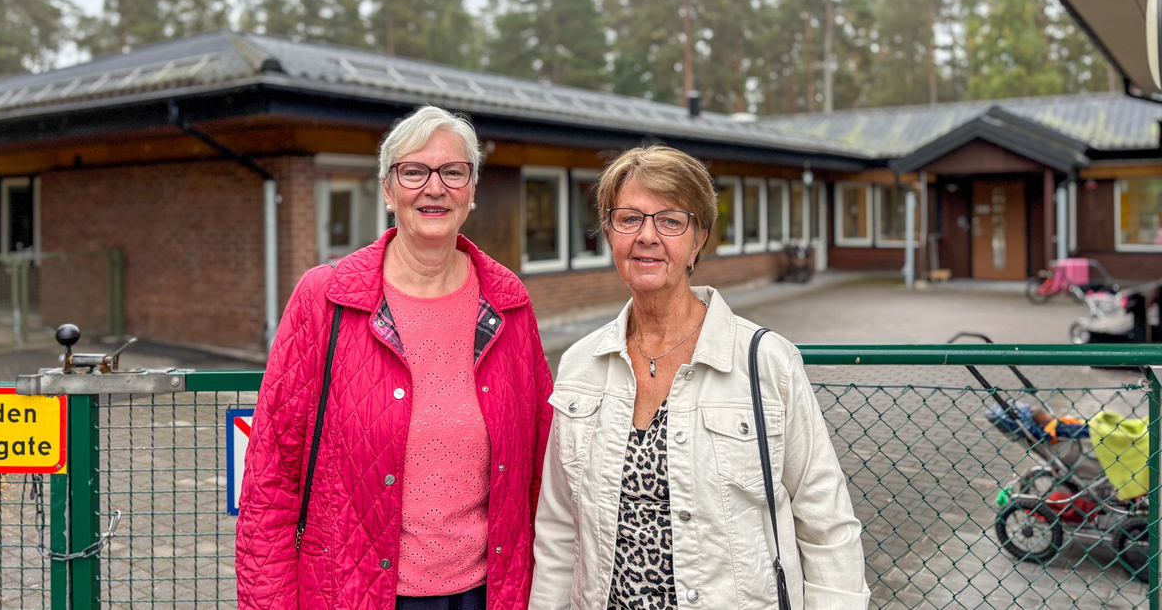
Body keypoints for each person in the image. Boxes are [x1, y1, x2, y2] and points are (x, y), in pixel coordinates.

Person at [237, 105, 554, 610]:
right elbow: (270, 478)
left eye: (454, 172)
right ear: (388, 190)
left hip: (488, 594)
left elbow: (541, 468)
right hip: (352, 592)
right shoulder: (326, 299)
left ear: (471, 191)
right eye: (414, 172)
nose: (435, 187)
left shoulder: (508, 302)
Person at [529, 145, 870, 610]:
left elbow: (827, 525)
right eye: (629, 218)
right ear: (609, 233)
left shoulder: (766, 363)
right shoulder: (580, 365)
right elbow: (559, 527)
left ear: (698, 239)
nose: (647, 236)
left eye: (670, 220)